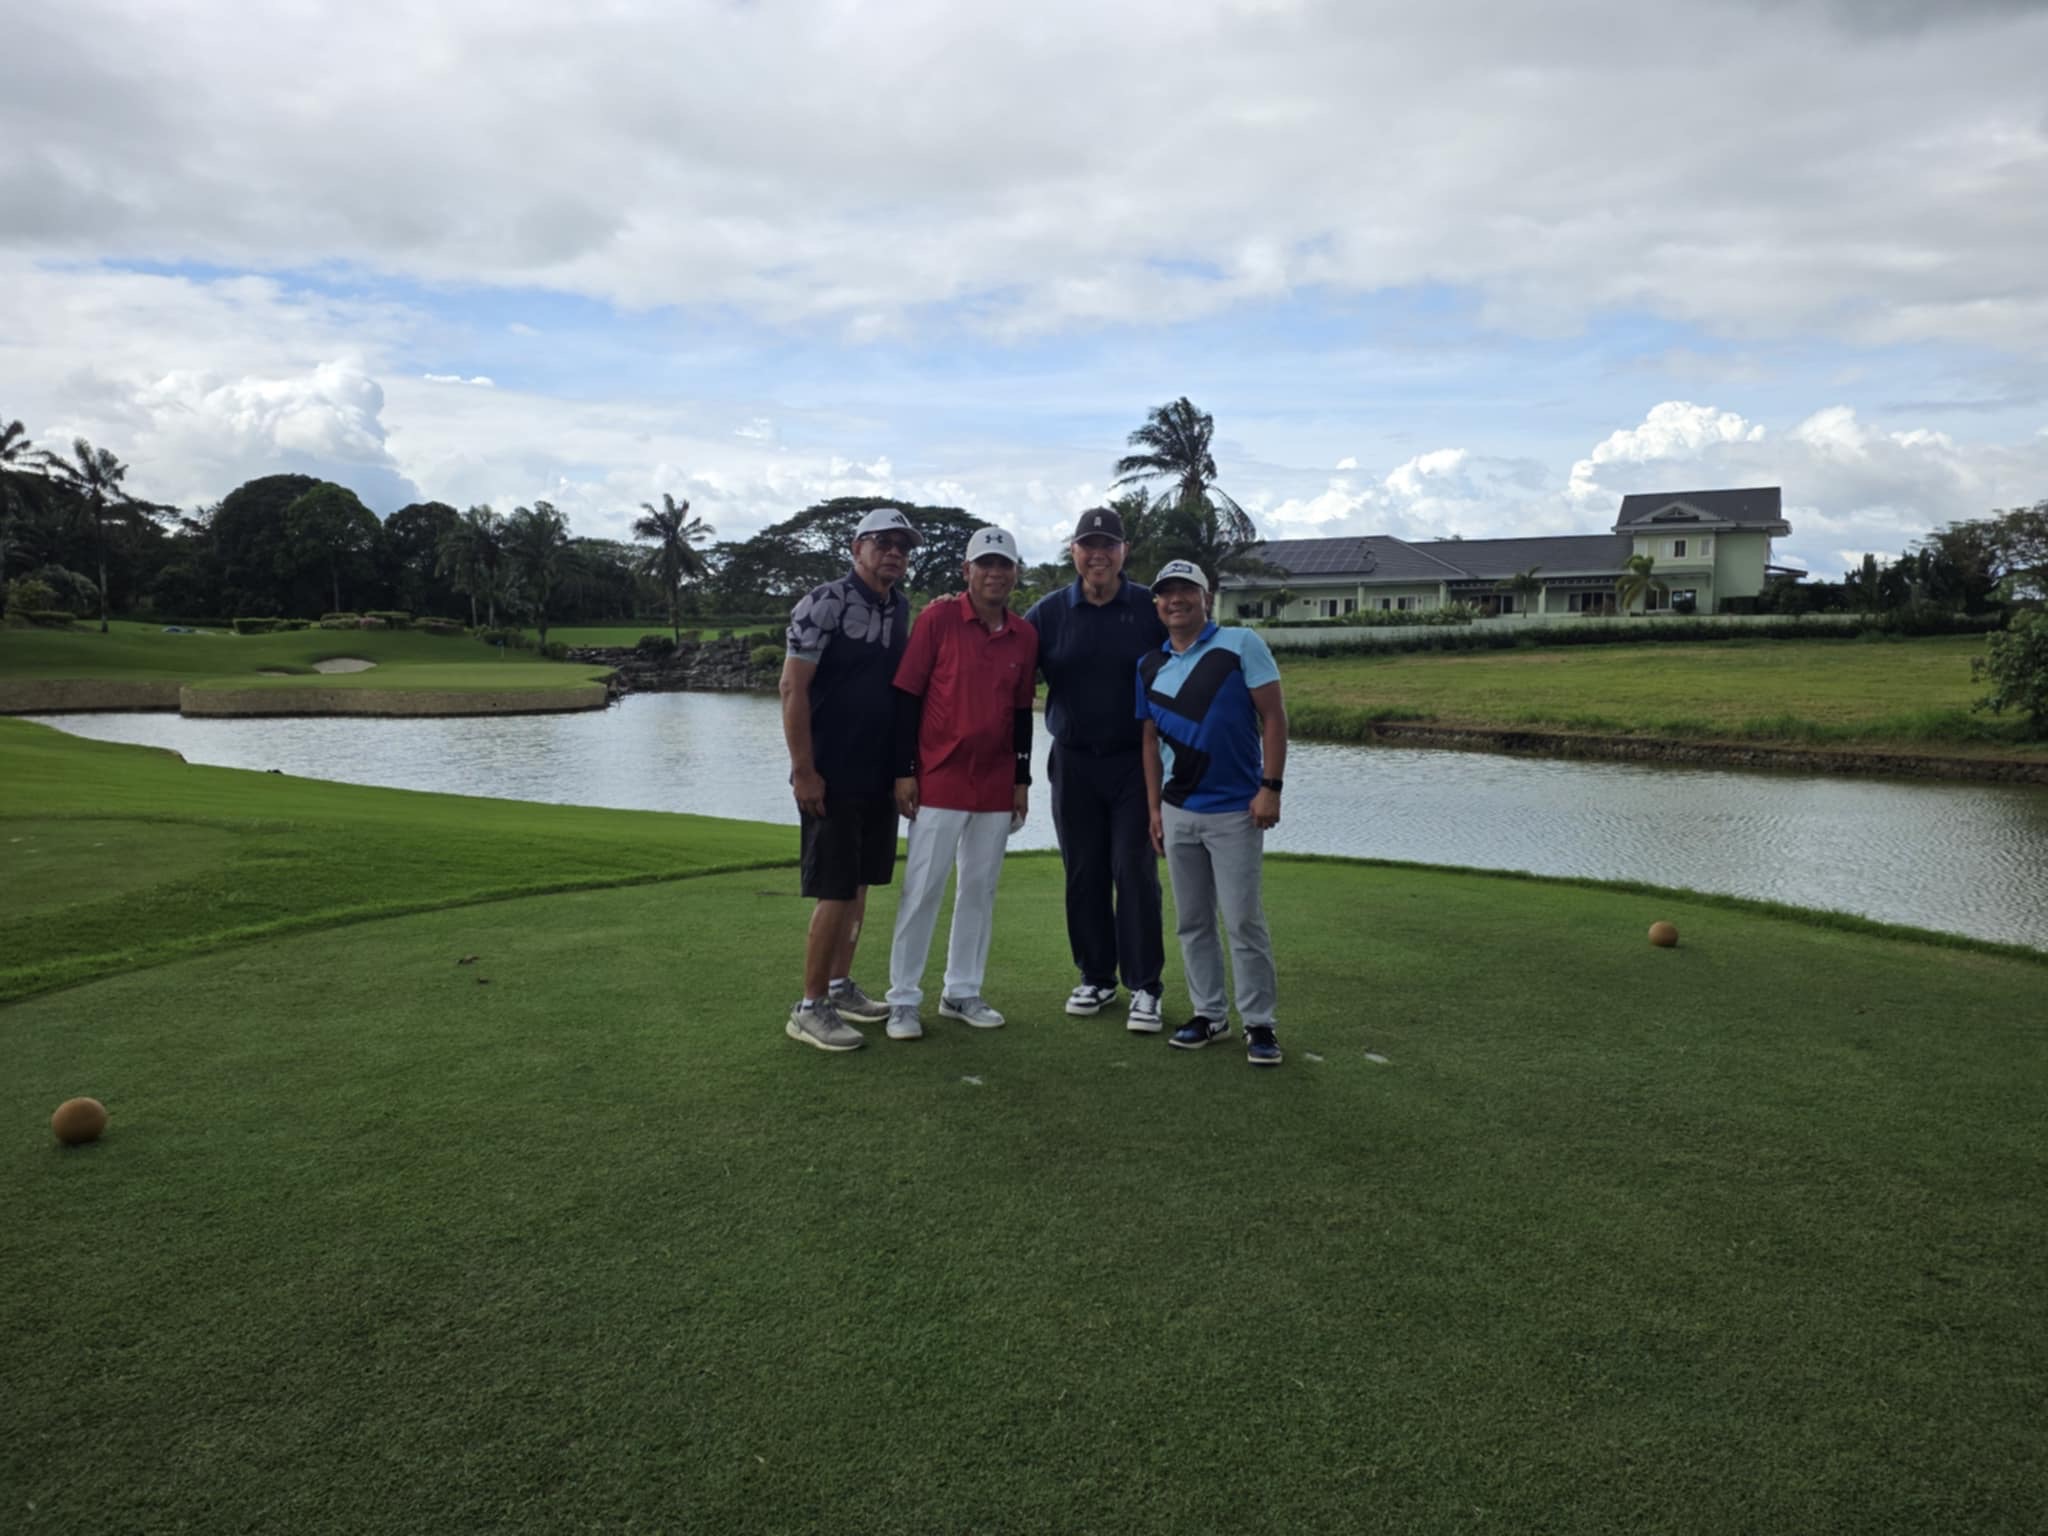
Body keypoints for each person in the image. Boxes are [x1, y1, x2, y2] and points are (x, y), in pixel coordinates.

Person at [884, 526, 1038, 1040]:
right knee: (923, 888)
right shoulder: (939, 618)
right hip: (938, 777)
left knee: (979, 888)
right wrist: (903, 769)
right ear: (966, 570)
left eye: (1004, 565)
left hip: (995, 783)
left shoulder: (1024, 634)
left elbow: (1021, 715)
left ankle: (962, 991)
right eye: (985, 564)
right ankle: (903, 999)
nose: (994, 573)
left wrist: (1022, 780)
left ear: (1015, 573)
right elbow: (907, 696)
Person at [1023, 506, 1171, 1033]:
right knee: (1083, 871)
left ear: (1123, 552)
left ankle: (1145, 986)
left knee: (1133, 871)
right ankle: (1096, 976)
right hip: (1073, 761)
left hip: (1136, 763)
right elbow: (1005, 655)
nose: (1099, 553)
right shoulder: (1048, 612)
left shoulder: (1148, 607)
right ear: (1075, 552)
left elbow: (1192, 653)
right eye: (1089, 544)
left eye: (1109, 544)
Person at [1137, 559, 1290, 1067]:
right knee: (1192, 920)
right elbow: (1149, 739)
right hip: (1179, 810)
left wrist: (1271, 788)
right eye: (1166, 594)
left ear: (1206, 598)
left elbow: (1273, 717)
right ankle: (1210, 1014)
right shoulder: (1149, 665)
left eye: (1186, 591)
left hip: (1236, 810)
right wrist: (1154, 808)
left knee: (1243, 920)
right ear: (1157, 604)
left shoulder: (1241, 644)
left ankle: (1260, 1023)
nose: (1175, 600)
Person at [778, 507, 920, 1051]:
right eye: (883, 543)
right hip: (829, 772)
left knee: (858, 883)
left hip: (877, 771)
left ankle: (838, 988)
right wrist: (804, 771)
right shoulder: (824, 602)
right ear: (856, 547)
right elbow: (793, 689)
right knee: (835, 888)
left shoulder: (899, 606)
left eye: (903, 547)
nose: (894, 553)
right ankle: (809, 1006)